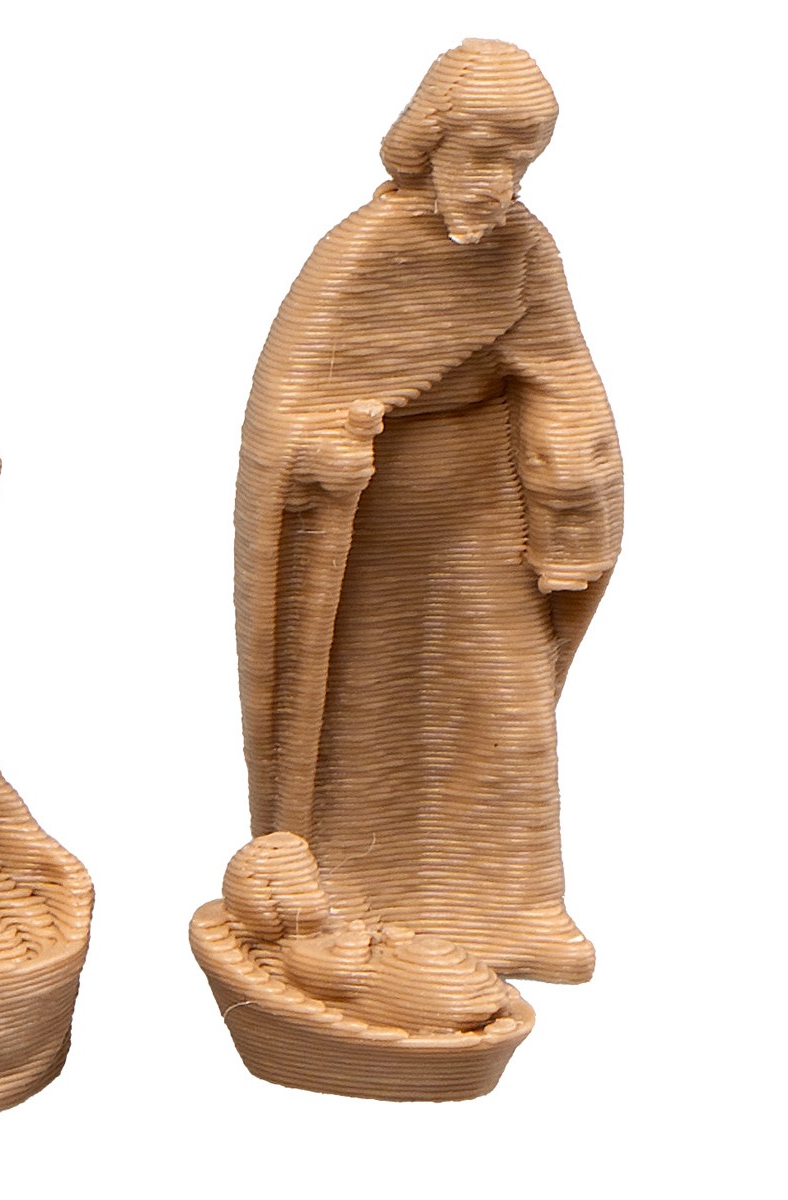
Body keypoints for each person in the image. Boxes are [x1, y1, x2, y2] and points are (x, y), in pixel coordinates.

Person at [234, 40, 622, 983]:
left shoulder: (525, 250)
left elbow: (561, 367)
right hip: (369, 533)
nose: (499, 183)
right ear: (431, 141)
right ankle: (348, 899)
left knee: (507, 709)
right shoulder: (362, 253)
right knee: (365, 716)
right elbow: (286, 408)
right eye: (483, 154)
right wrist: (321, 454)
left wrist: (572, 460)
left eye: (519, 163)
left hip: (486, 511)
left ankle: (516, 907)